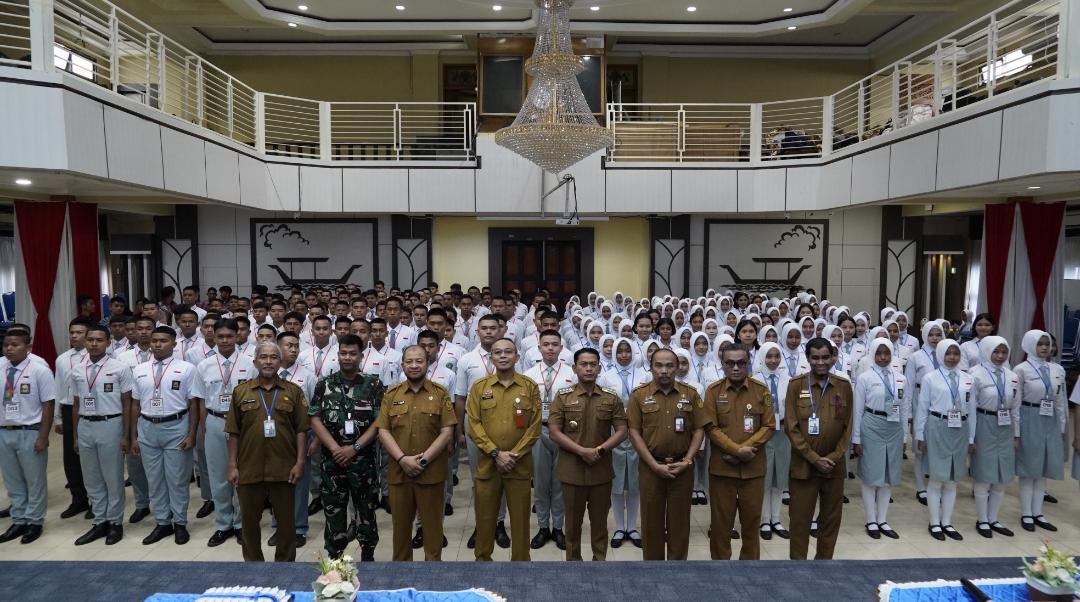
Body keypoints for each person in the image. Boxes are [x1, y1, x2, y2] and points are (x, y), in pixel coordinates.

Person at [225, 341, 309, 562]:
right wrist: (232, 466)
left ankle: (285, 565)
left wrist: (300, 462)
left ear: (280, 362)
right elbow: (233, 432)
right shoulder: (241, 392)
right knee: (250, 523)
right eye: (264, 357)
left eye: (273, 357)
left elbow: (302, 430)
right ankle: (254, 566)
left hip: (284, 467)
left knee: (286, 523)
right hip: (249, 467)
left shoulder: (293, 391)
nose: (268, 361)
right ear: (255, 361)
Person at [375, 345, 456, 561]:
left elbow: (447, 431)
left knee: (433, 530)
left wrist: (424, 459)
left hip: (431, 473)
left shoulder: (440, 393)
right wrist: (402, 459)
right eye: (409, 361)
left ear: (427, 363)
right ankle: (402, 577)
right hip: (399, 473)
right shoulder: (391, 394)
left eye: (419, 361)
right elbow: (383, 430)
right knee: (400, 531)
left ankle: (432, 577)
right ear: (402, 365)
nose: (414, 365)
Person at [548, 347, 628, 561]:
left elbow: (622, 430)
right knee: (572, 525)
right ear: (574, 368)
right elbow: (554, 432)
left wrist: (600, 450)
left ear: (599, 368)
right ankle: (574, 564)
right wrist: (581, 451)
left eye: (593, 364)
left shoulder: (611, 398)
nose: (589, 368)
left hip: (601, 470)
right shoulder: (563, 396)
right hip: (571, 471)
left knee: (600, 524)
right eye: (584, 364)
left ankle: (599, 563)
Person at [309, 334, 385, 561]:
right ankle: (335, 556)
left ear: (361, 356)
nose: (348, 357)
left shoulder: (373, 384)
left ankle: (368, 553)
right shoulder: (324, 384)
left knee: (366, 510)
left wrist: (355, 447)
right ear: (338, 354)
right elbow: (315, 418)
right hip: (332, 462)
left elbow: (380, 421)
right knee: (334, 510)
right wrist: (335, 448)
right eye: (343, 353)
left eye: (353, 353)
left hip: (364, 461)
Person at [465, 337, 541, 561]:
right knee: (485, 518)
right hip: (488, 465)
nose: (503, 356)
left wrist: (513, 455)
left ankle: (520, 563)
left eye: (508, 352)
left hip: (519, 465)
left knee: (520, 519)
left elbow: (534, 426)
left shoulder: (529, 386)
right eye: (498, 352)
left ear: (517, 356)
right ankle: (483, 561)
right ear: (492, 358)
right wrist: (496, 453)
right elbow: (474, 424)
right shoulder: (480, 387)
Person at [628, 348, 708, 560]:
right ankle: (653, 571)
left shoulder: (690, 394)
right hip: (650, 468)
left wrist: (689, 460)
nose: (664, 371)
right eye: (659, 365)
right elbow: (633, 431)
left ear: (677, 367)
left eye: (669, 365)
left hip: (682, 468)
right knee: (651, 523)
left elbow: (699, 428)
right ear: (651, 367)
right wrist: (653, 465)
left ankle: (678, 570)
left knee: (679, 523)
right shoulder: (639, 395)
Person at [703, 343, 775, 560]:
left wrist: (746, 450)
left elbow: (769, 426)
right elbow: (710, 427)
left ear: (748, 363)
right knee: (720, 525)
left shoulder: (760, 390)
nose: (736, 368)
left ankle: (750, 572)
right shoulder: (713, 391)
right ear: (723, 364)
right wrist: (736, 450)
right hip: (722, 469)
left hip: (753, 469)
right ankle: (721, 571)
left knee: (752, 524)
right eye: (730, 363)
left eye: (741, 363)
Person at [785, 337, 853, 560]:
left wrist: (833, 457)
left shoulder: (843, 386)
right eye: (815, 357)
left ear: (833, 357)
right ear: (808, 359)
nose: (821, 362)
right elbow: (791, 427)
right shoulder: (796, 386)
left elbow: (848, 427)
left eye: (825, 357)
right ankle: (797, 569)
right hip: (804, 467)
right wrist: (814, 458)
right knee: (800, 521)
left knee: (830, 521)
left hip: (834, 467)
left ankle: (824, 566)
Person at [131, 326, 198, 546]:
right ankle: (162, 523)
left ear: (174, 343)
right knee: (155, 479)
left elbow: (194, 403)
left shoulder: (186, 369)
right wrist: (133, 435)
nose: (158, 344)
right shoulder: (140, 369)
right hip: (148, 427)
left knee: (177, 479)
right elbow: (135, 403)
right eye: (154, 340)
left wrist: (192, 433)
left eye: (163, 340)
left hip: (176, 425)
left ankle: (180, 523)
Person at [192, 318, 256, 547]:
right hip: (215, 421)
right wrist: (204, 426)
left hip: (244, 424)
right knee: (218, 476)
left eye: (230, 336)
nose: (225, 340)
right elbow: (199, 401)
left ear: (238, 335)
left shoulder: (250, 363)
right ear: (213, 337)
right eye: (220, 337)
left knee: (242, 476)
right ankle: (223, 524)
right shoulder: (204, 366)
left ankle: (241, 525)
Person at [71, 325, 134, 546]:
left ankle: (115, 523)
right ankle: (100, 522)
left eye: (99, 340)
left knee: (112, 478)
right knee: (92, 479)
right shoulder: (78, 369)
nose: (94, 343)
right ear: (85, 342)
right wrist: (75, 435)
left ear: (108, 343)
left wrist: (126, 435)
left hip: (111, 423)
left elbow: (127, 403)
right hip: (86, 425)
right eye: (90, 340)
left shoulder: (120, 367)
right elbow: (76, 403)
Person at [522, 329, 576, 550]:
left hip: (564, 432)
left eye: (555, 344)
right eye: (546, 344)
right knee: (541, 483)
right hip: (538, 431)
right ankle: (543, 527)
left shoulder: (570, 374)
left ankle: (559, 528)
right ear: (539, 347)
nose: (551, 348)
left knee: (560, 482)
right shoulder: (530, 375)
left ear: (561, 348)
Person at [0, 330, 55, 544]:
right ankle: (19, 519)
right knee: (12, 480)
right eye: (6, 345)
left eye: (14, 345)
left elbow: (48, 404)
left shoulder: (39, 370)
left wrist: (43, 436)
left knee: (34, 481)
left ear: (28, 347)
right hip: (5, 431)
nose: (9, 349)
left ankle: (34, 522)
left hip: (30, 431)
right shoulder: (0, 367)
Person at [914, 339, 972, 541]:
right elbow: (922, 408)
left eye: (956, 353)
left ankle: (947, 521)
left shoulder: (967, 379)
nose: (952, 357)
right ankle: (934, 522)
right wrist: (920, 435)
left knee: (952, 480)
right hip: (937, 426)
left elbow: (971, 410)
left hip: (960, 429)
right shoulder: (931, 378)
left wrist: (972, 437)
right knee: (937, 479)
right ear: (940, 354)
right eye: (948, 353)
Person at [852, 338, 909, 540]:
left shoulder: (900, 378)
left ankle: (882, 519)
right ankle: (871, 520)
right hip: (871, 425)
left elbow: (904, 408)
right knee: (871, 476)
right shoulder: (865, 377)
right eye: (879, 353)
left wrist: (905, 437)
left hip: (893, 429)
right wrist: (856, 438)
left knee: (887, 476)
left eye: (887, 353)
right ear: (873, 354)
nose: (883, 357)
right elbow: (857, 409)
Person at [1013, 329, 1067, 532]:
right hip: (1029, 417)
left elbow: (1060, 400)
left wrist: (1061, 426)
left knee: (1043, 468)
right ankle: (1026, 513)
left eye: (1048, 344)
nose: (1046, 347)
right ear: (1029, 345)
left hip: (1050, 419)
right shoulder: (1021, 369)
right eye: (1041, 344)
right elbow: (1016, 403)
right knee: (1029, 469)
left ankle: (1038, 513)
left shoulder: (1057, 370)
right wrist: (1016, 431)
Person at [970, 335, 1019, 538]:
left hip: (1005, 427)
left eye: (1003, 352)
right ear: (986, 351)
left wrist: (1017, 434)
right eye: (995, 352)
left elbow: (1016, 407)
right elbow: (970, 408)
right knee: (983, 475)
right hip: (984, 423)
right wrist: (971, 438)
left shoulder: (1012, 375)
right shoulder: (975, 374)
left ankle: (994, 518)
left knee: (1001, 477)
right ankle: (982, 520)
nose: (999, 356)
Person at [754, 342, 790, 541]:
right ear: (762, 357)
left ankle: (776, 519)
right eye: (769, 356)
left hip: (783, 433)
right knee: (765, 479)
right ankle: (764, 520)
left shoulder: (788, 379)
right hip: (763, 434)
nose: (773, 360)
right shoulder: (755, 380)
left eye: (777, 356)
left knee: (780, 478)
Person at [54, 320, 90, 520]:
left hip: (91, 410)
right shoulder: (62, 359)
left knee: (91, 457)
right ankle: (78, 499)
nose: (75, 336)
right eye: (72, 332)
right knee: (71, 457)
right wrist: (58, 418)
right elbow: (58, 387)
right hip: (69, 409)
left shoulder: (97, 356)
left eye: (79, 332)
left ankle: (97, 499)